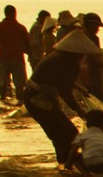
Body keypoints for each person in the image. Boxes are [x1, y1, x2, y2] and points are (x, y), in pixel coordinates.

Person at [20, 30, 95, 164]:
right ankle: (67, 164)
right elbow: (65, 92)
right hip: (39, 100)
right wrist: (79, 111)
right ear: (78, 53)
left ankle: (63, 163)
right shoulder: (70, 63)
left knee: (58, 134)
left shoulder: (56, 56)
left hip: (32, 97)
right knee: (70, 133)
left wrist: (79, 88)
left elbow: (58, 80)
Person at [0, 5, 30, 103]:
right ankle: (19, 103)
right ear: (15, 13)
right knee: (19, 85)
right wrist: (31, 55)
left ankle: (2, 103)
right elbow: (28, 44)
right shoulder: (21, 28)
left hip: (3, 58)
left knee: (3, 83)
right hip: (17, 59)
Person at [69, 108, 103, 175]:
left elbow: (73, 151)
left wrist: (68, 164)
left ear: (87, 124)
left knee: (76, 157)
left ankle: (87, 175)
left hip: (91, 166)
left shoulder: (82, 135)